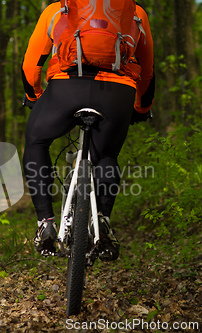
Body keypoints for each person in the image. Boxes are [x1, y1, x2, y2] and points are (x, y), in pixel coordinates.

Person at [21, 0, 155, 260]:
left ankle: (45, 222)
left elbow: (32, 63)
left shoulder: (59, 8)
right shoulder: (135, 12)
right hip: (117, 92)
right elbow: (147, 70)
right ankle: (102, 220)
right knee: (106, 156)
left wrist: (34, 96)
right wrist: (141, 107)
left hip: (66, 88)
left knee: (37, 141)